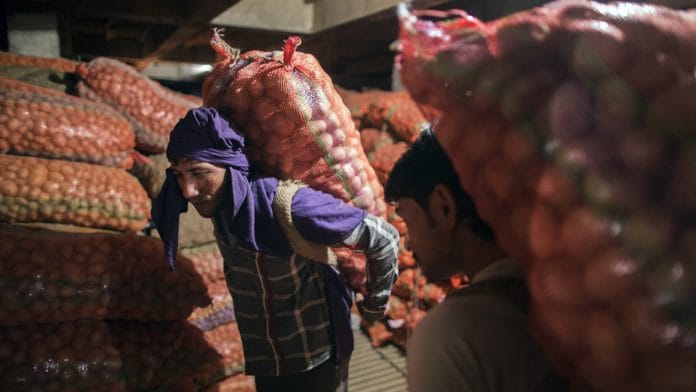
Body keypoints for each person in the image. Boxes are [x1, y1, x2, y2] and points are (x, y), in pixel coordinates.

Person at [151, 106, 399, 392]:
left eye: (199, 173)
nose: (188, 191)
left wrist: (374, 306)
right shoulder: (221, 206)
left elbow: (386, 238)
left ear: (232, 167)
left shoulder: (287, 206)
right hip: (269, 357)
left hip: (315, 357)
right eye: (179, 175)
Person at [385, 129, 566, 392]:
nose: (409, 243)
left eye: (407, 220)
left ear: (443, 206)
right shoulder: (567, 291)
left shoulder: (450, 335)